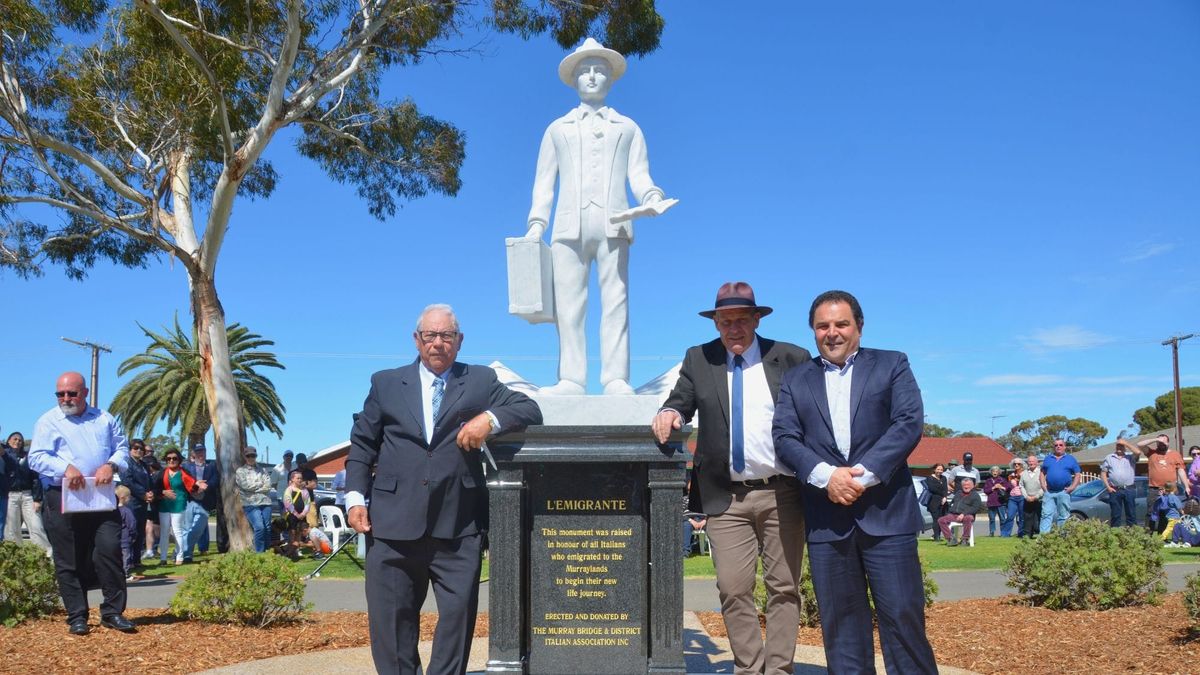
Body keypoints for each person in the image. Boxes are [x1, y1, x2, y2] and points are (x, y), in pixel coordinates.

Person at [346, 303, 542, 674]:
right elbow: (362, 446)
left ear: (459, 340)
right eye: (431, 335)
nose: (438, 343)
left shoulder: (481, 381)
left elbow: (530, 409)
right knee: (392, 622)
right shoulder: (385, 383)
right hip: (391, 525)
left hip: (458, 525)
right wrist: (355, 497)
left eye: (447, 336)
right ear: (417, 339)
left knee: (456, 619)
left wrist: (490, 419)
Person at [772, 290, 937, 673]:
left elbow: (908, 423)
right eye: (822, 326)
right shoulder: (797, 380)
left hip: (887, 518)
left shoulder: (892, 364)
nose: (832, 333)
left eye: (841, 324)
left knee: (902, 621)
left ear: (859, 327)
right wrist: (827, 477)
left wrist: (861, 479)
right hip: (828, 523)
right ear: (813, 331)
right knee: (841, 629)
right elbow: (785, 437)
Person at [652, 281, 810, 675]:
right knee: (733, 588)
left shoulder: (791, 357)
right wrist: (670, 412)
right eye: (725, 321)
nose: (733, 329)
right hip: (726, 497)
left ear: (757, 319)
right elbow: (680, 400)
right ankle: (749, 668)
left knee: (784, 588)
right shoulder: (699, 358)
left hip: (783, 492)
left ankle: (778, 670)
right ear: (716, 323)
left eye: (742, 320)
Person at [522, 38, 672, 396]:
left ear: (611, 79)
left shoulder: (628, 128)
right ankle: (571, 379)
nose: (591, 77)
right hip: (568, 225)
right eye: (585, 71)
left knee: (616, 301)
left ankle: (616, 377)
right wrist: (535, 225)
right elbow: (543, 183)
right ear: (574, 80)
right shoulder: (557, 129)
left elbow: (640, 175)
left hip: (616, 221)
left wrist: (652, 196)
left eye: (599, 71)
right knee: (568, 306)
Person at [27, 371, 136, 634]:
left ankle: (112, 612)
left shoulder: (104, 418)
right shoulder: (48, 421)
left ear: (84, 393)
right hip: (63, 495)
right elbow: (36, 457)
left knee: (110, 550)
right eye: (60, 394)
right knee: (69, 559)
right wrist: (64, 467)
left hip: (100, 495)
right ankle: (77, 616)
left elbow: (122, 448)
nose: (65, 398)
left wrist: (111, 465)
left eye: (71, 393)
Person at [151, 449, 204, 565]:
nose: (171, 460)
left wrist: (199, 486)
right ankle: (163, 559)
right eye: (169, 459)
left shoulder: (183, 472)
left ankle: (179, 557)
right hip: (164, 505)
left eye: (174, 458)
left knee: (177, 531)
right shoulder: (162, 473)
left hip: (179, 504)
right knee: (164, 532)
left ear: (179, 460)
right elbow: (155, 489)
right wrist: (163, 492)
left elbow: (192, 486)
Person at [3, 431, 51, 550]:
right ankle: (14, 559)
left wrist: (37, 499)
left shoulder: (28, 456)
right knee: (12, 530)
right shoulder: (4, 455)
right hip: (10, 495)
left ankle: (45, 558)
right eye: (15, 439)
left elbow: (35, 478)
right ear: (9, 441)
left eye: (20, 440)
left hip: (28, 495)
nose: (17, 442)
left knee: (37, 526)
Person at [182, 443, 223, 560]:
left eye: (203, 451)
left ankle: (184, 551)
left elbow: (216, 480)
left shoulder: (212, 465)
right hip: (190, 500)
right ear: (194, 454)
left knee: (197, 529)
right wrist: (195, 486)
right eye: (198, 451)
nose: (201, 454)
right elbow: (183, 482)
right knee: (187, 528)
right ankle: (186, 554)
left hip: (205, 501)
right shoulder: (187, 467)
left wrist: (206, 485)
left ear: (205, 452)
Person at [119, 439, 153, 566]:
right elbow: (127, 481)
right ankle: (128, 561)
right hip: (131, 501)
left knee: (140, 530)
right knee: (130, 530)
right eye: (135, 448)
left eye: (141, 449)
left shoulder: (144, 465)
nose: (139, 450)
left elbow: (149, 481)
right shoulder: (127, 463)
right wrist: (143, 494)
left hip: (143, 502)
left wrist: (150, 493)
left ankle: (136, 560)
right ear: (130, 449)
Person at [235, 446, 273, 553]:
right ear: (245, 456)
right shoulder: (240, 471)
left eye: (253, 456)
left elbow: (268, 485)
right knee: (259, 527)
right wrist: (260, 485)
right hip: (250, 504)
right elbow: (245, 486)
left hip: (265, 502)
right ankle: (259, 553)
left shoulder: (263, 470)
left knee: (267, 527)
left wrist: (255, 487)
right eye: (248, 456)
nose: (251, 458)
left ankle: (267, 552)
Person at [1039, 439, 1081, 532]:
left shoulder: (1071, 459)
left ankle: (1062, 539)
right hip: (1049, 492)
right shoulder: (1048, 459)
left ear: (1065, 447)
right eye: (1056, 445)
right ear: (1053, 447)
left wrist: (1072, 487)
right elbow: (1042, 472)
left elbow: (1077, 474)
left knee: (1063, 516)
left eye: (1061, 445)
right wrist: (1043, 486)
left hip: (1063, 492)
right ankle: (1043, 540)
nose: (1058, 446)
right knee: (1046, 515)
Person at [1101, 439, 1138, 527]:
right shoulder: (1109, 457)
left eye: (1122, 446)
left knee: (1131, 514)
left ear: (1125, 447)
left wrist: (1126, 443)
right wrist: (1108, 487)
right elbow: (1103, 473)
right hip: (1115, 490)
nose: (1119, 447)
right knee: (1115, 514)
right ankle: (1115, 533)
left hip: (1129, 489)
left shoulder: (1130, 457)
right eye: (1118, 445)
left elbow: (1138, 452)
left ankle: (1132, 534)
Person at [938, 477, 982, 546]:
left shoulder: (975, 495)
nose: (966, 487)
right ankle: (951, 538)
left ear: (972, 486)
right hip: (954, 515)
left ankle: (964, 539)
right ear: (962, 486)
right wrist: (950, 512)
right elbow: (952, 503)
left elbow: (975, 508)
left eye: (968, 485)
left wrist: (963, 514)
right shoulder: (958, 493)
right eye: (964, 485)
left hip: (967, 515)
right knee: (941, 520)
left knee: (968, 518)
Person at [282, 469, 310, 557]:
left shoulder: (304, 490)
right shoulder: (289, 490)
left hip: (302, 515)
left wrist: (303, 514)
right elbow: (288, 503)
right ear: (292, 479)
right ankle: (291, 550)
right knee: (292, 532)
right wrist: (296, 514)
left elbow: (307, 503)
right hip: (292, 515)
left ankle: (297, 550)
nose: (300, 480)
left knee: (299, 532)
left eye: (301, 478)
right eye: (298, 478)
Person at [114, 485, 139, 581]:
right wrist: (133, 535)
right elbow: (132, 524)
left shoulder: (113, 511)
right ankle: (125, 574)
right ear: (123, 498)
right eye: (129, 497)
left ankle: (117, 574)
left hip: (115, 538)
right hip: (125, 538)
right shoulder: (126, 511)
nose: (130, 499)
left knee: (116, 557)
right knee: (126, 557)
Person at [141, 452, 162, 559]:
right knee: (150, 526)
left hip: (156, 503)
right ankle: (150, 549)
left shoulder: (157, 475)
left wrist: (153, 494)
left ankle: (152, 549)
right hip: (150, 503)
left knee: (154, 527)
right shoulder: (149, 475)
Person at [922, 463, 949, 541]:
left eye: (941, 470)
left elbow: (945, 488)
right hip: (933, 502)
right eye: (938, 469)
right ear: (934, 469)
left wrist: (945, 497)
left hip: (943, 502)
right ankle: (936, 536)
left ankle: (938, 535)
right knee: (936, 519)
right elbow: (932, 489)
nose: (940, 471)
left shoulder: (944, 478)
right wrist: (942, 494)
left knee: (941, 519)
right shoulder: (929, 478)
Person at [1020, 454, 1043, 538]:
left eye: (1033, 461)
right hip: (1027, 499)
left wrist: (1036, 496)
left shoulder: (1041, 473)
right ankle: (1027, 535)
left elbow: (1044, 486)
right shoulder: (1024, 473)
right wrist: (1026, 497)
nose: (1031, 463)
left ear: (1037, 462)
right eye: (1029, 461)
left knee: (1039, 518)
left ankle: (1041, 535)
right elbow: (1021, 486)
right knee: (1027, 518)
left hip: (1039, 499)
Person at [1001, 460, 1024, 537]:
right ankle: (1005, 534)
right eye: (1015, 464)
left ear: (1022, 465)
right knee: (1010, 516)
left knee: (1022, 516)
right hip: (1012, 497)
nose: (1016, 465)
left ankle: (1021, 533)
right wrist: (1002, 487)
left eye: (1018, 464)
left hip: (1022, 496)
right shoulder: (1011, 475)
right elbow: (1008, 486)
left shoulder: (1025, 474)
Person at [982, 465, 1006, 537]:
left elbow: (1007, 488)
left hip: (1000, 502)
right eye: (993, 471)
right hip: (991, 502)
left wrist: (1001, 487)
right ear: (991, 472)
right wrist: (993, 488)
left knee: (1002, 518)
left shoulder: (1002, 480)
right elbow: (985, 490)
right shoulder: (988, 481)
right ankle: (992, 532)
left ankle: (1003, 532)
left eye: (996, 471)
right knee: (992, 519)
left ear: (999, 472)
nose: (995, 473)